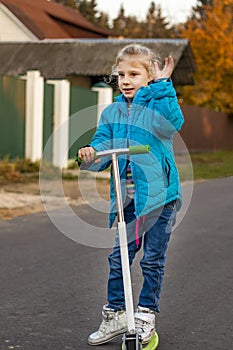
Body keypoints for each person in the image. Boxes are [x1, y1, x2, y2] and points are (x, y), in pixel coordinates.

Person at [78, 44, 184, 346]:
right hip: (128, 203)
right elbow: (101, 143)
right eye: (121, 74)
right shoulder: (111, 111)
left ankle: (146, 314)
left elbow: (171, 123)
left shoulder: (155, 105)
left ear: (148, 76)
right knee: (119, 258)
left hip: (159, 199)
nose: (125, 80)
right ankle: (116, 314)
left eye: (134, 74)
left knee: (152, 260)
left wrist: (163, 85)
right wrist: (91, 153)